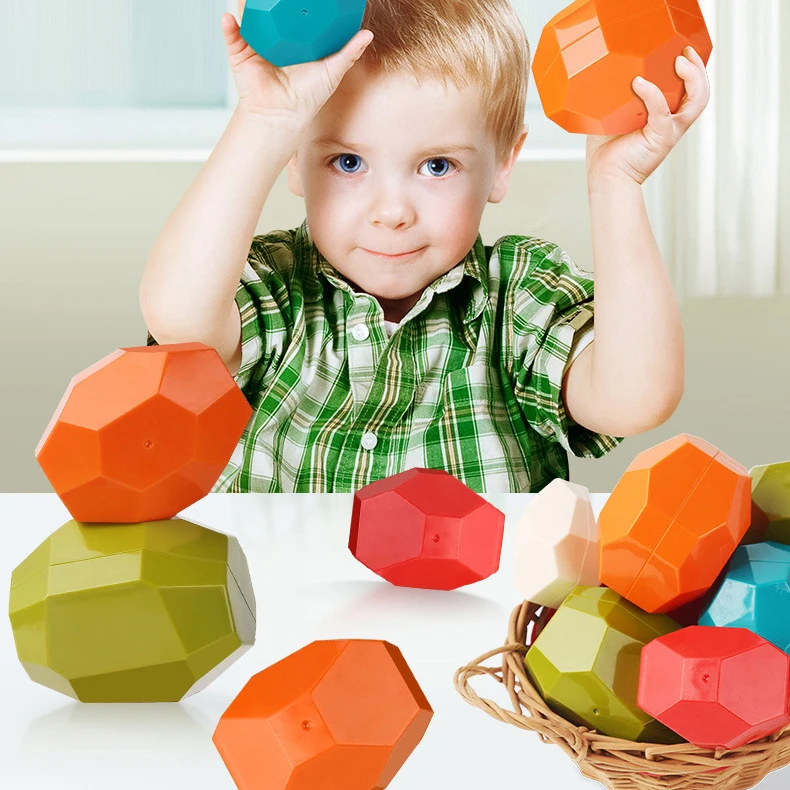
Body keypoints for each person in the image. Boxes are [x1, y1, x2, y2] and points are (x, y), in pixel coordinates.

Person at [140, 0, 709, 493]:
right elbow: (179, 322)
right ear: (295, 157)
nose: (392, 212)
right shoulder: (275, 284)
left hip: (478, 618)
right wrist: (265, 122)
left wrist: (616, 184)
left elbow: (636, 397)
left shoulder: (518, 296)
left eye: (437, 166)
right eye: (348, 162)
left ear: (501, 166)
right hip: (293, 613)